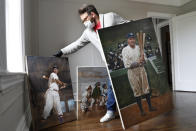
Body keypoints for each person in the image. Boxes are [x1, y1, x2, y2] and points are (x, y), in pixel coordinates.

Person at [53, 4, 129, 122]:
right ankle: (110, 112)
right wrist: (61, 52)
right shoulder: (88, 32)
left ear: (92, 14)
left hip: (126, 58)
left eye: (84, 19)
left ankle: (134, 110)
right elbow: (76, 44)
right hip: (111, 63)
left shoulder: (110, 17)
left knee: (129, 84)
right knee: (111, 87)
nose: (84, 23)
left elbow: (128, 24)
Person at [122, 33, 156, 116]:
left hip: (141, 70)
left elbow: (145, 60)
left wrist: (143, 60)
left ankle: (150, 107)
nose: (132, 40)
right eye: (130, 39)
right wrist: (138, 62)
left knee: (146, 88)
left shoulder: (139, 47)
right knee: (136, 91)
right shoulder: (125, 50)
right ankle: (141, 111)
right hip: (132, 72)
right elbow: (127, 64)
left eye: (133, 38)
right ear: (128, 40)